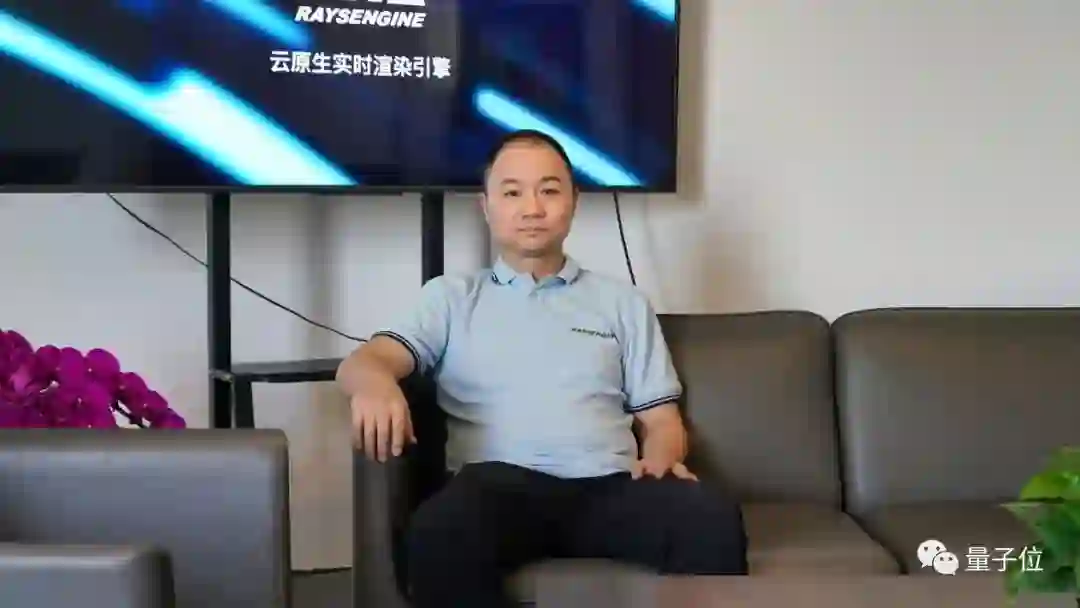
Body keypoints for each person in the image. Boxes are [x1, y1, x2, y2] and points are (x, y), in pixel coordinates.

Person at [336, 129, 747, 607]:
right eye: (513, 193)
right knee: (441, 531)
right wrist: (374, 383)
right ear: (486, 207)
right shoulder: (450, 297)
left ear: (574, 201)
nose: (532, 208)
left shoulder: (623, 303)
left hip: (609, 486)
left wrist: (661, 457)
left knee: (709, 517)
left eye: (549, 190)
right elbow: (368, 360)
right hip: (497, 488)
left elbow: (662, 421)